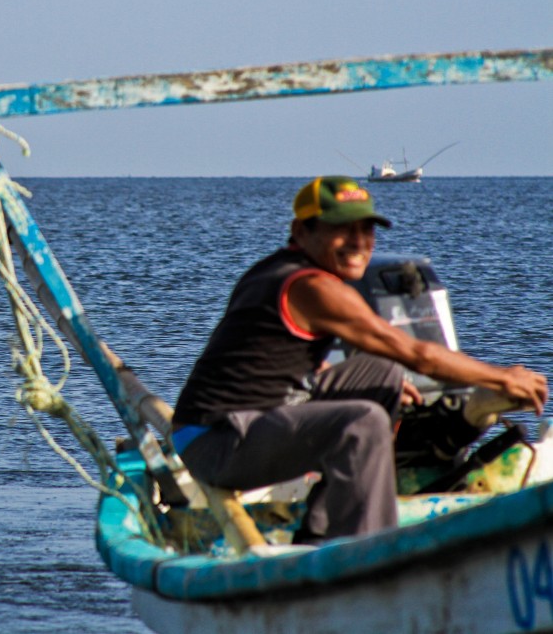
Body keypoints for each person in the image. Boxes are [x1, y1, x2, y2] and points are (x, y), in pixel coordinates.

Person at [171, 175, 547, 544]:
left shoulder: (276, 269)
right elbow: (419, 356)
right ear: (300, 231)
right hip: (217, 443)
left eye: (366, 230)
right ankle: (369, 546)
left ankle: (322, 527)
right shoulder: (312, 287)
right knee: (362, 423)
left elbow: (264, 354)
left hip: (245, 421)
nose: (359, 242)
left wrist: (334, 374)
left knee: (381, 374)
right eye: (342, 229)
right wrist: (502, 378)